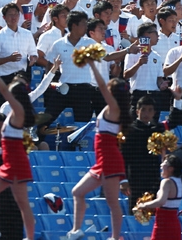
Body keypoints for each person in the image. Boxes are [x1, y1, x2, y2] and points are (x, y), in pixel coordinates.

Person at [67, 59, 132, 240]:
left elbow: (102, 86)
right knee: (77, 192)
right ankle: (76, 230)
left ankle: (115, 237)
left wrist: (93, 65)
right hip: (102, 160)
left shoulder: (114, 108)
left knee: (112, 202)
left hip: (109, 160)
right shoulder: (113, 109)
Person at [0, 63, 36, 240]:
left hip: (16, 163)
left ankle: (29, 237)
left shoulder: (18, 111)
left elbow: (3, 90)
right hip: (10, 161)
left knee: (21, 203)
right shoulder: (14, 112)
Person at [135, 153, 182, 240]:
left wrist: (143, 205)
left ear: (171, 169)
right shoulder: (181, 182)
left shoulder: (167, 182)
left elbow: (161, 201)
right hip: (174, 224)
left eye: (164, 164)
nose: (161, 165)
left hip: (163, 224)